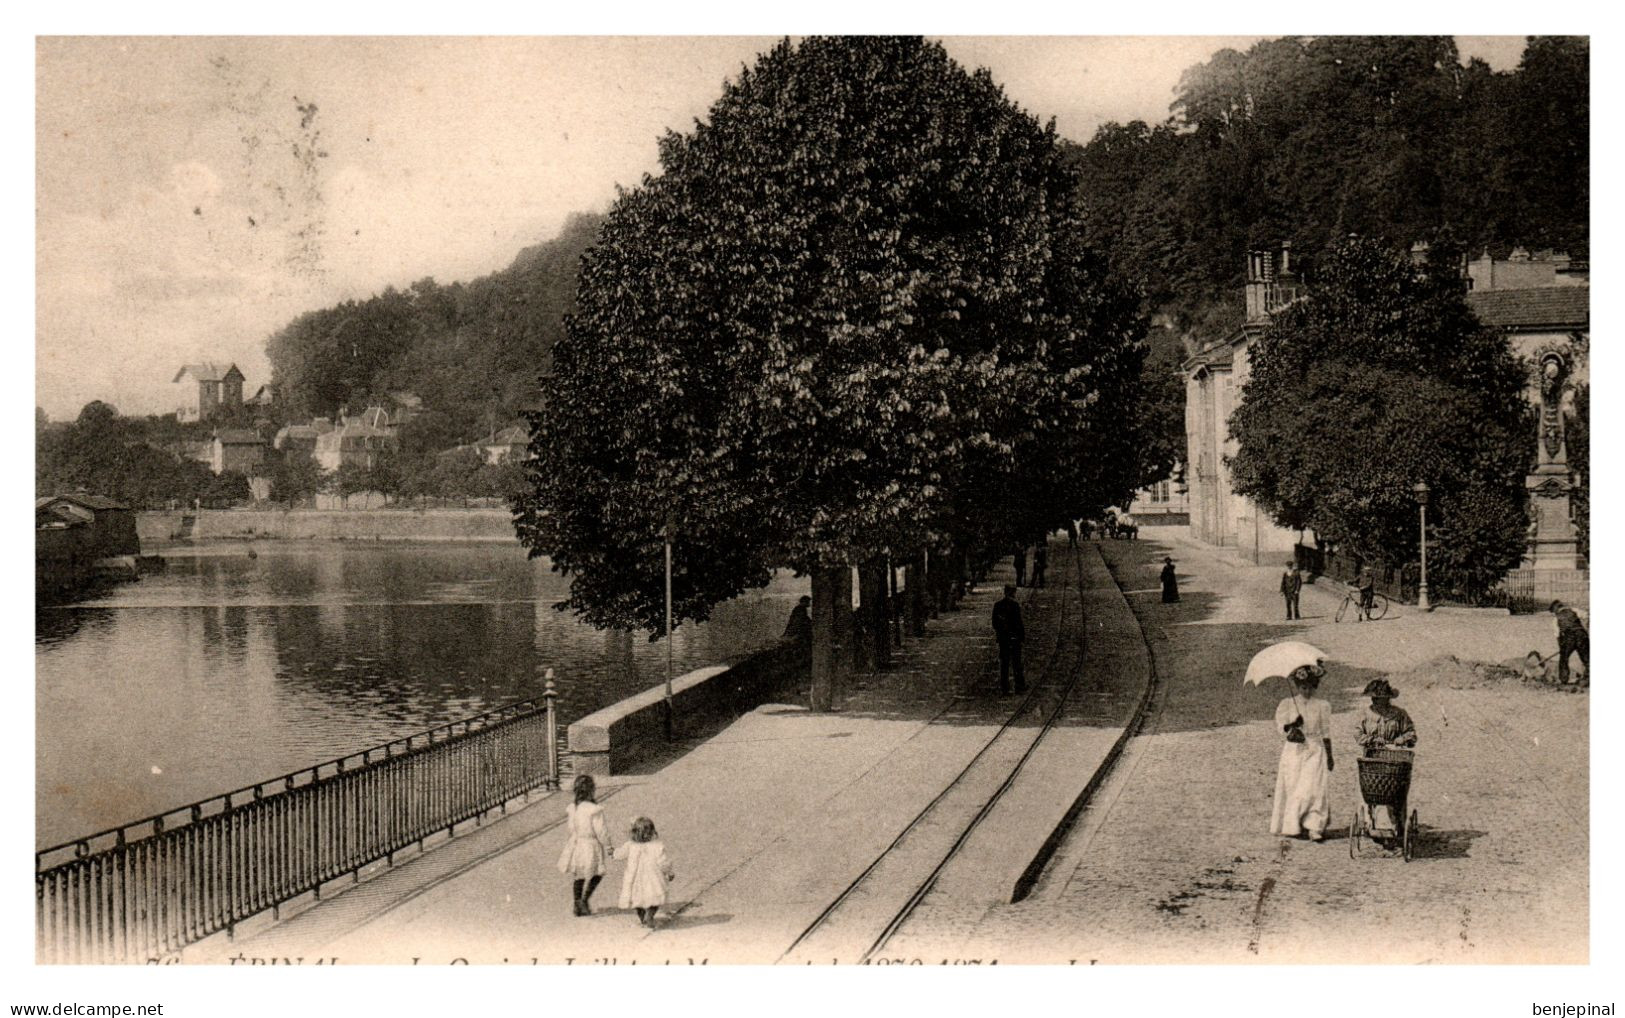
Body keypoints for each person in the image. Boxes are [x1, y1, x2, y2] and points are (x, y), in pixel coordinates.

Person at [1270, 665, 1334, 841]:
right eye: (1303, 687)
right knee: (1294, 787)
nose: (1306, 691)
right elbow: (1281, 727)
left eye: (1310, 687)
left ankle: (1315, 827)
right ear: (1297, 687)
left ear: (1315, 686)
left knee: (1314, 788)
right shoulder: (1287, 704)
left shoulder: (1322, 705)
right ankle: (1294, 824)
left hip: (1315, 749)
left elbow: (1326, 732)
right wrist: (1293, 724)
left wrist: (1330, 755)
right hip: (1294, 750)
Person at [1354, 678, 1415, 847]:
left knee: (1394, 790)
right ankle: (1369, 823)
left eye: (1382, 698)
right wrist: (1371, 740)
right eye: (1375, 698)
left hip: (1394, 757)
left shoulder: (1399, 714)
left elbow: (1411, 733)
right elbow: (1358, 734)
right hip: (1372, 757)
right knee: (1370, 789)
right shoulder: (1365, 714)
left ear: (1388, 698)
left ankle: (1397, 825)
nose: (1378, 701)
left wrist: (1401, 739)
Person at [556, 774, 614, 916]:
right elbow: (601, 831)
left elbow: (571, 827)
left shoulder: (573, 808)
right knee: (597, 873)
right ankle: (584, 900)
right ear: (591, 790)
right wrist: (608, 846)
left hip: (577, 843)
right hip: (590, 844)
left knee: (579, 874)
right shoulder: (594, 809)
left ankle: (577, 902)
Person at [616, 816, 675, 929]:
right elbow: (663, 862)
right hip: (653, 878)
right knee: (655, 898)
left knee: (636, 900)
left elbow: (619, 855)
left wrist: (613, 853)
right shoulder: (657, 845)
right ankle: (650, 916)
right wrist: (669, 872)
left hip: (634, 878)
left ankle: (643, 918)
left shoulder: (630, 845)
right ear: (652, 831)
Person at [991, 585, 1027, 695]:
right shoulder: (1015, 605)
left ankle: (1005, 688)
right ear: (1013, 593)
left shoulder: (998, 605)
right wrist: (1021, 636)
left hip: (1003, 639)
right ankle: (1019, 686)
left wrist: (1001, 632)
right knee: (1016, 663)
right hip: (1014, 638)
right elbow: (1018, 622)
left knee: (1004, 663)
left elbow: (994, 623)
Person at [1551, 601, 1589, 686]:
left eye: (1553, 611)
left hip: (1569, 639)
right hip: (1582, 636)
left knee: (1563, 659)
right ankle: (1589, 678)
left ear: (1556, 609)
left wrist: (1562, 649)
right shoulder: (1574, 610)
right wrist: (1585, 628)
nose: (1554, 613)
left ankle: (1563, 680)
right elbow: (1586, 615)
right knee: (1587, 659)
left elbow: (1557, 635)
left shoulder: (1556, 619)